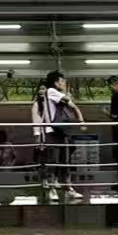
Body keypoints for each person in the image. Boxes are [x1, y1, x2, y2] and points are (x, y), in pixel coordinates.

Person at [44, 70, 84, 202]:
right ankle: (52, 189)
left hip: (63, 132)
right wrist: (66, 90)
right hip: (53, 132)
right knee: (53, 161)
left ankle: (68, 188)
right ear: (56, 82)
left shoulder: (57, 93)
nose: (64, 83)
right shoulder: (51, 91)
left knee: (65, 162)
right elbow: (69, 101)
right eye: (62, 81)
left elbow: (73, 105)